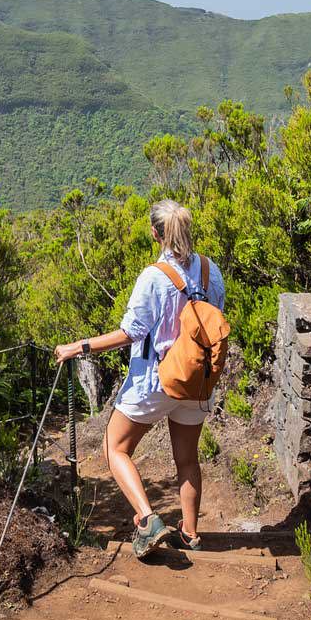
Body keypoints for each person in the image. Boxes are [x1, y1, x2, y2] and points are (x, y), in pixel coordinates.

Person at [56, 199, 225, 558]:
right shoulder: (212, 272)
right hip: (196, 381)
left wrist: (78, 347)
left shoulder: (153, 277)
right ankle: (191, 534)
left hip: (156, 379)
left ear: (155, 234)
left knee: (113, 448)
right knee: (188, 459)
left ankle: (148, 521)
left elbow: (131, 332)